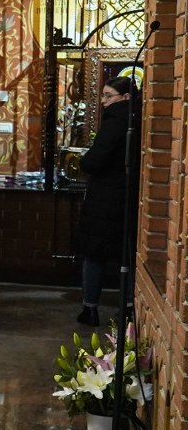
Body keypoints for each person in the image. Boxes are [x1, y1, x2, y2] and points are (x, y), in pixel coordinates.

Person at [76, 77, 142, 325]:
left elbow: (96, 160)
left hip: (105, 199)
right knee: (127, 256)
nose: (103, 101)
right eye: (102, 95)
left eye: (108, 95)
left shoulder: (115, 121)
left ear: (125, 97)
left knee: (95, 255)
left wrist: (85, 160)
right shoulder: (141, 120)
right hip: (129, 196)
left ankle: (90, 308)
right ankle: (128, 310)